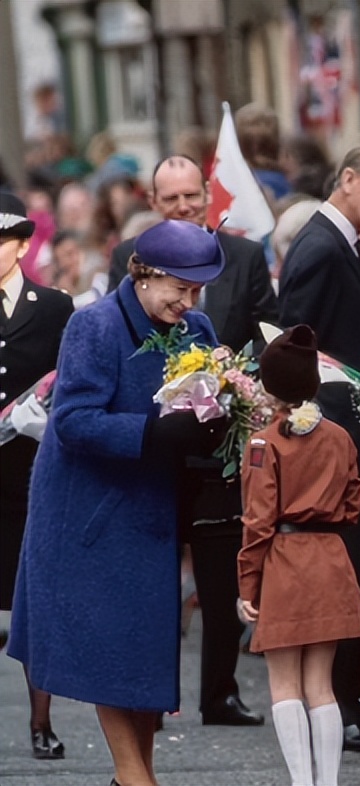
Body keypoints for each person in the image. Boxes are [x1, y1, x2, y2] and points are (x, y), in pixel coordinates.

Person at [8, 220, 228, 786]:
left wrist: (224, 420)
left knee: (144, 658)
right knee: (110, 651)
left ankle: (134, 776)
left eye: (197, 290)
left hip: (154, 505)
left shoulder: (197, 328)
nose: (188, 302)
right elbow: (73, 420)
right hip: (87, 509)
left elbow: (207, 405)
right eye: (180, 288)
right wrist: (154, 432)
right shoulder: (95, 324)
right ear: (144, 274)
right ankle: (135, 778)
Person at [108, 154, 278, 727]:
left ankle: (220, 692)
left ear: (207, 194)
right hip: (156, 441)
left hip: (218, 445)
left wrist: (237, 384)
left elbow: (266, 332)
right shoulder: (128, 257)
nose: (183, 205)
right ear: (154, 202)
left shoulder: (245, 255)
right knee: (153, 579)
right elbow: (123, 338)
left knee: (222, 575)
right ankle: (150, 692)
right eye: (171, 198)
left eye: (191, 195)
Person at [277, 143, 360, 753]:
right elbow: (293, 347)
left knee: (358, 571)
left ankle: (346, 699)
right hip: (339, 445)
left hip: (355, 438)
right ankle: (338, 704)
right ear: (348, 178)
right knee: (346, 574)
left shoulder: (340, 244)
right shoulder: (321, 247)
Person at [237, 324, 360, 786]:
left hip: (285, 561)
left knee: (285, 684)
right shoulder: (339, 437)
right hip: (330, 558)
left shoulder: (264, 443)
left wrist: (247, 585)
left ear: (268, 386)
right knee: (321, 685)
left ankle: (301, 781)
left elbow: (258, 522)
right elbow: (354, 502)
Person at [0, 192, 74, 760]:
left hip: (29, 470)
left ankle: (41, 722)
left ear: (24, 245)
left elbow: (68, 381)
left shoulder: (53, 307)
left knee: (36, 599)